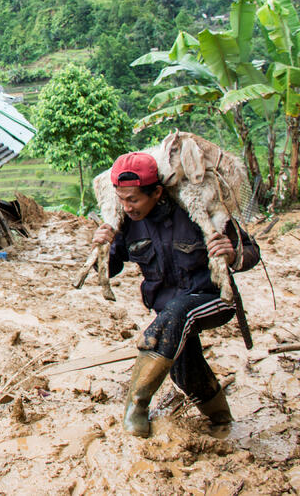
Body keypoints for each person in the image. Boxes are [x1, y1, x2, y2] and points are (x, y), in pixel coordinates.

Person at [92, 151, 259, 437]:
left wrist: (231, 255)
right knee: (186, 371)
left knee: (178, 312)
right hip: (169, 316)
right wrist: (100, 248)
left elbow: (252, 252)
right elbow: (110, 267)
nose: (127, 206)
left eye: (133, 199)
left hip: (212, 300)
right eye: (121, 199)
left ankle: (137, 405)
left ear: (156, 192)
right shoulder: (127, 223)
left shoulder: (199, 210)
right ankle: (223, 422)